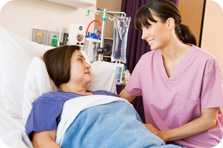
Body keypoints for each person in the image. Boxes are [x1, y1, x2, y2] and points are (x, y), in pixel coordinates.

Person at [25, 45, 180, 148]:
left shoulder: (106, 95)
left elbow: (129, 125)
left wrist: (148, 129)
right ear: (61, 65)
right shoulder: (49, 101)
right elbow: (42, 141)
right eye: (80, 60)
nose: (88, 65)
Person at [120, 0, 223, 147]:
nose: (143, 36)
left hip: (201, 143)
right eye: (141, 29)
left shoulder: (206, 63)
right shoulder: (146, 62)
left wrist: (164, 135)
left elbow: (209, 120)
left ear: (169, 23)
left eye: (148, 26)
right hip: (161, 141)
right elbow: (124, 98)